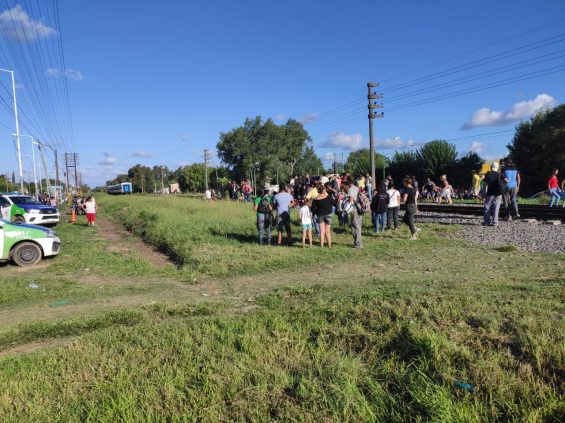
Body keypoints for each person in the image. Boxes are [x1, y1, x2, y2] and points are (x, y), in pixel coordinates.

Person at [347, 177, 363, 248]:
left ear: (349, 182)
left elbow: (351, 200)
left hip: (354, 210)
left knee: (356, 227)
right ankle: (356, 242)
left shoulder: (350, 189)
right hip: (360, 209)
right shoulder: (357, 188)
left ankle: (358, 244)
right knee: (356, 227)